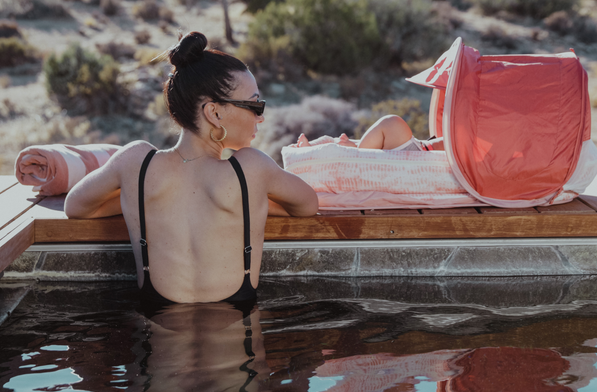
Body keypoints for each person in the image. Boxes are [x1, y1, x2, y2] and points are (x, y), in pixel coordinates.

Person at [65, 31, 319, 307]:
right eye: (255, 103)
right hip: (238, 344)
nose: (261, 115)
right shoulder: (252, 169)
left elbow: (76, 207)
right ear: (214, 112)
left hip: (156, 345)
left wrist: (135, 201)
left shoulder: (135, 164)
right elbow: (307, 204)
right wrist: (257, 201)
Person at [295, 114, 445, 152]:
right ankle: (352, 147)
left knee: (392, 123)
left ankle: (354, 150)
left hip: (422, 153)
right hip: (422, 147)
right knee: (390, 126)